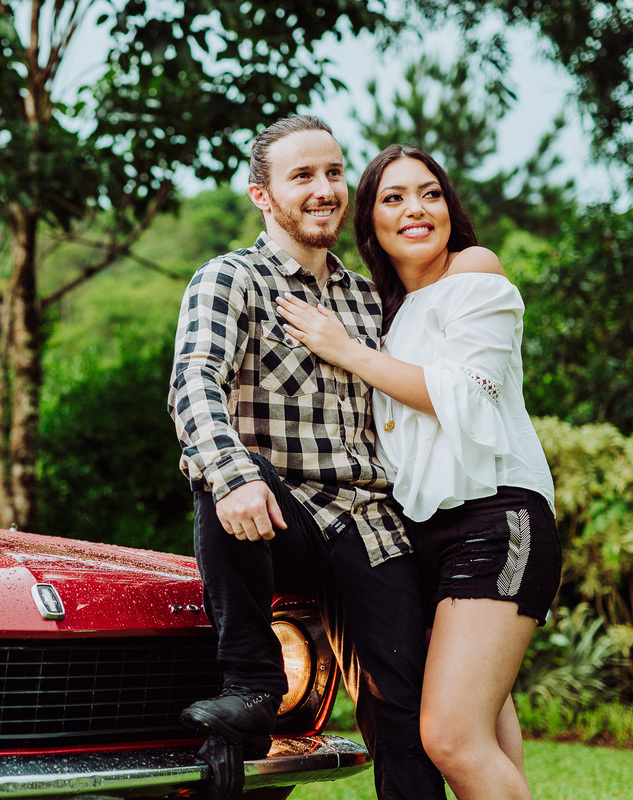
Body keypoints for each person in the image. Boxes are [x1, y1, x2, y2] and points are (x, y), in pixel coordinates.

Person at [168, 117, 444, 800]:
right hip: (279, 517)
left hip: (374, 524)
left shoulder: (368, 296)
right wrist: (231, 476)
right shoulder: (231, 279)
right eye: (302, 177)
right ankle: (254, 686)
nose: (324, 190)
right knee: (229, 470)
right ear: (262, 196)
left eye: (333, 173)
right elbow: (195, 382)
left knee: (408, 719)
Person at [275, 144, 560, 800]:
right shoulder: (382, 311)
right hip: (419, 537)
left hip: (496, 518)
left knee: (451, 736)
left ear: (449, 206)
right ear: (369, 219)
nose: (416, 209)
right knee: (482, 737)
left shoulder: (473, 269)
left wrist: (343, 350)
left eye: (429, 193)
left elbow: (462, 390)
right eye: (394, 197)